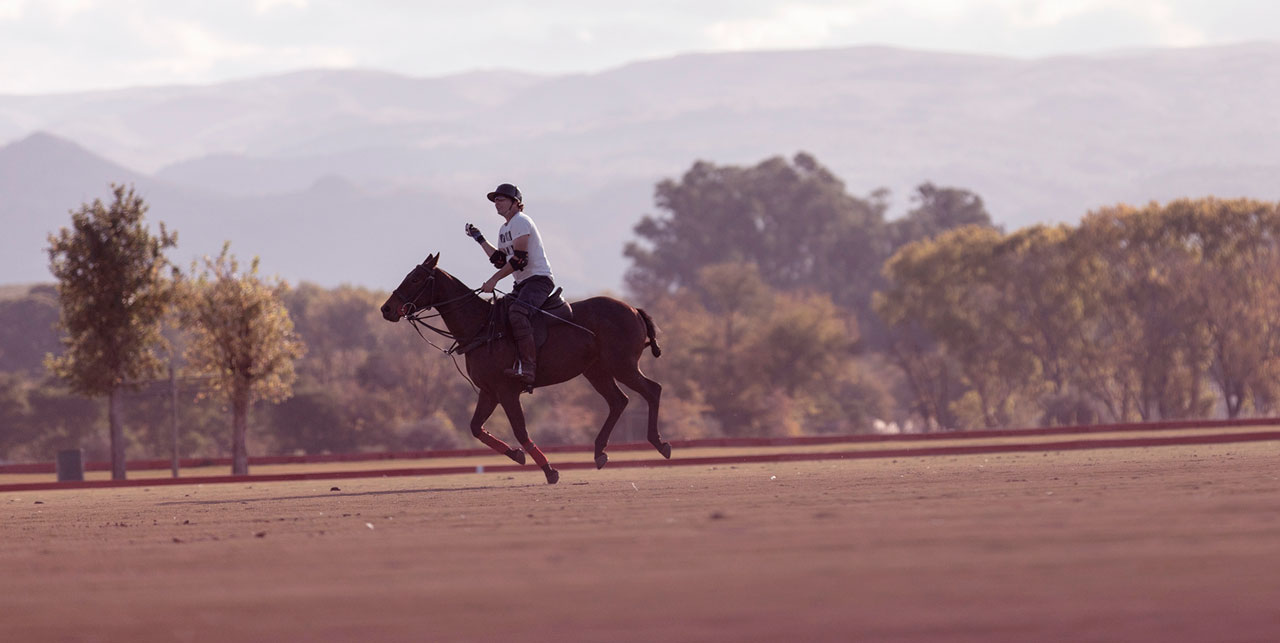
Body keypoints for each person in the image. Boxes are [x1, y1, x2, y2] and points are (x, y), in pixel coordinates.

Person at [464, 183, 555, 387]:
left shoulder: (521, 221)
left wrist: (494, 280)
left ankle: (529, 368)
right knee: (499, 314)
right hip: (523, 284)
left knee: (517, 313)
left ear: (516, 203)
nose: (497, 203)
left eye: (501, 199)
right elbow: (500, 260)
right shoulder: (504, 228)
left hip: (539, 280)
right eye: (495, 200)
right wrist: (479, 239)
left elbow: (519, 260)